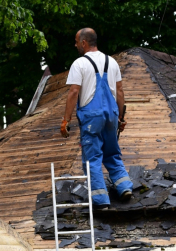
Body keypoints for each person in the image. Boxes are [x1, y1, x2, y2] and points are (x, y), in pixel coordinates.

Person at [60, 28, 134, 207]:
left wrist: (65, 120)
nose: (75, 44)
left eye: (76, 41)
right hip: (111, 115)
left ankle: (101, 199)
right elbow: (120, 91)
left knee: (92, 158)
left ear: (84, 43)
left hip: (92, 118)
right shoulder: (112, 62)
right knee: (111, 153)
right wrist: (121, 118)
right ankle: (124, 186)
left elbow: (74, 92)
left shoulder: (79, 64)